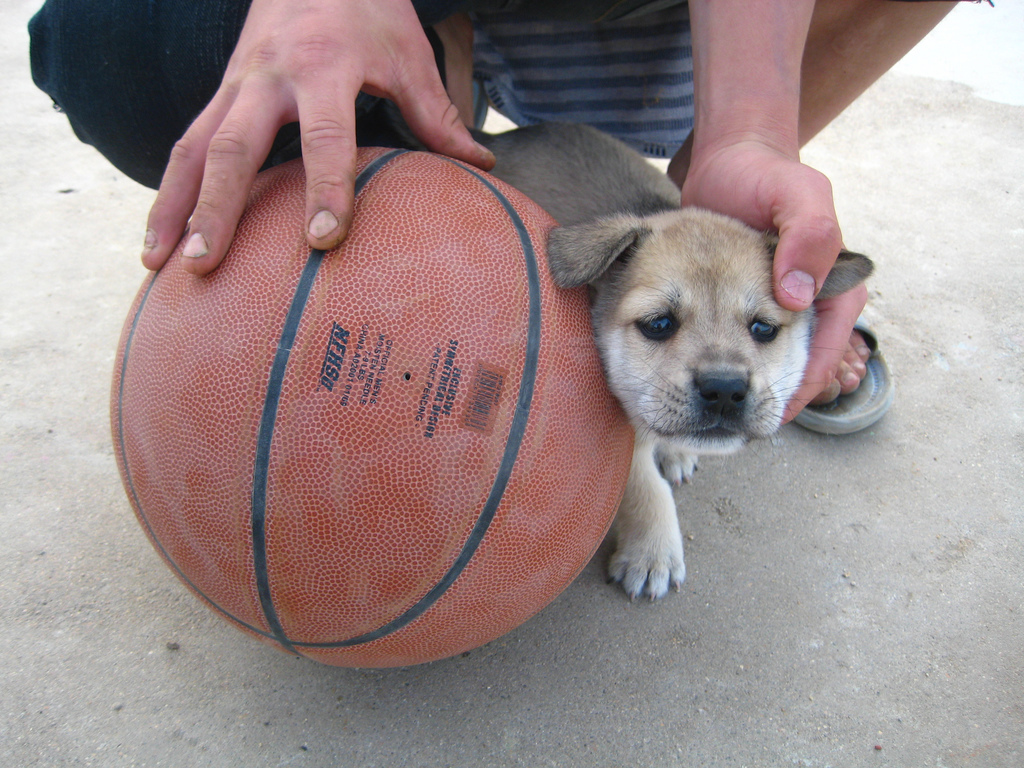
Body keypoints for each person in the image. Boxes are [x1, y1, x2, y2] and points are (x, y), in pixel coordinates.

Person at [28, 0, 960, 424]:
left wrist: (747, 125)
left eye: (761, 327)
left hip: (653, 26)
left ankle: (703, 226)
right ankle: (428, 94)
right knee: (122, 40)